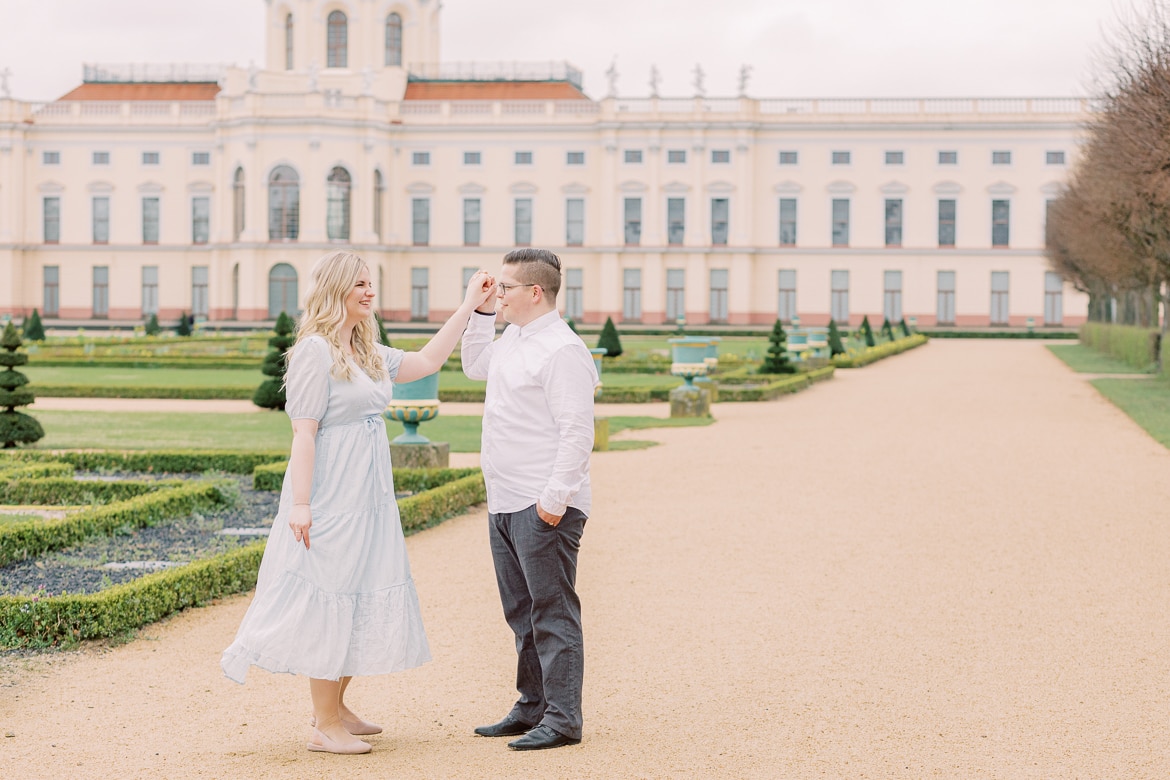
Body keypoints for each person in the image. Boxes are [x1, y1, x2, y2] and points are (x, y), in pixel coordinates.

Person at [221, 250, 496, 755]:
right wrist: (300, 505)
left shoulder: (364, 348)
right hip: (330, 493)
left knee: (360, 590)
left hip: (369, 494)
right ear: (336, 290)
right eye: (360, 285)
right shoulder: (314, 352)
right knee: (332, 592)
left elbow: (426, 362)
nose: (370, 292)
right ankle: (324, 726)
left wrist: (468, 307)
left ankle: (338, 707)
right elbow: (304, 434)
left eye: (371, 284)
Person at [461, 248, 598, 751]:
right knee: (521, 612)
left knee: (552, 612)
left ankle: (563, 719)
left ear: (534, 292)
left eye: (505, 288)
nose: (499, 294)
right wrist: (478, 313)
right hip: (504, 499)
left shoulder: (562, 350)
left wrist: (553, 502)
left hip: (542, 504)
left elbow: (576, 432)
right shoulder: (515, 338)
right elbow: (475, 365)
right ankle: (532, 706)